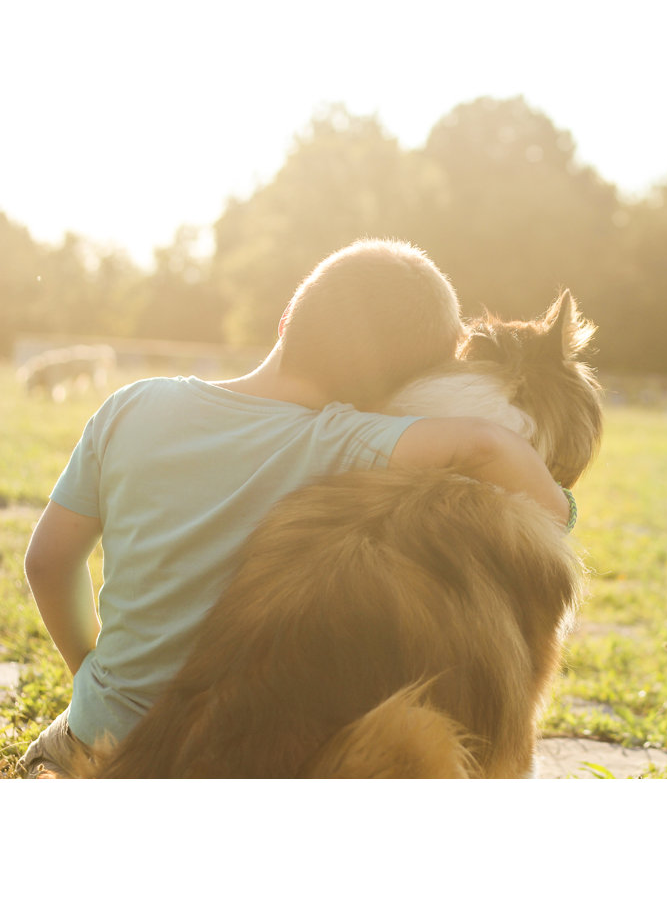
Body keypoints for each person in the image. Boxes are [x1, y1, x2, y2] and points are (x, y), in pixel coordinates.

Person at [16, 238, 570, 778]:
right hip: (242, 751)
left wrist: (90, 674)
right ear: (406, 384)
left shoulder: (132, 406)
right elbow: (484, 444)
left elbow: (47, 562)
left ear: (286, 318)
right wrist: (557, 511)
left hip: (97, 741)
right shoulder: (356, 444)